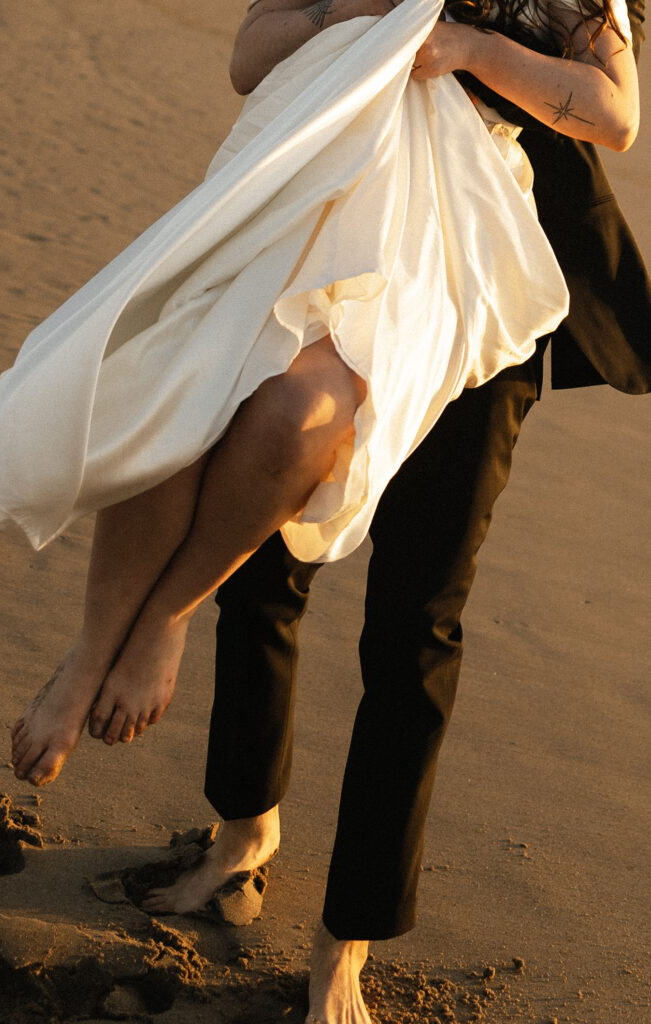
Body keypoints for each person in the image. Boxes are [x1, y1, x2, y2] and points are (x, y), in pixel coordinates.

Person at [117, 3, 648, 1024]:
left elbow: (613, 116)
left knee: (414, 618)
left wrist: (474, 48)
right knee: (264, 557)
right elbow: (247, 57)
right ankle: (240, 834)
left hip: (487, 312)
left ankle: (343, 941)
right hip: (344, 264)